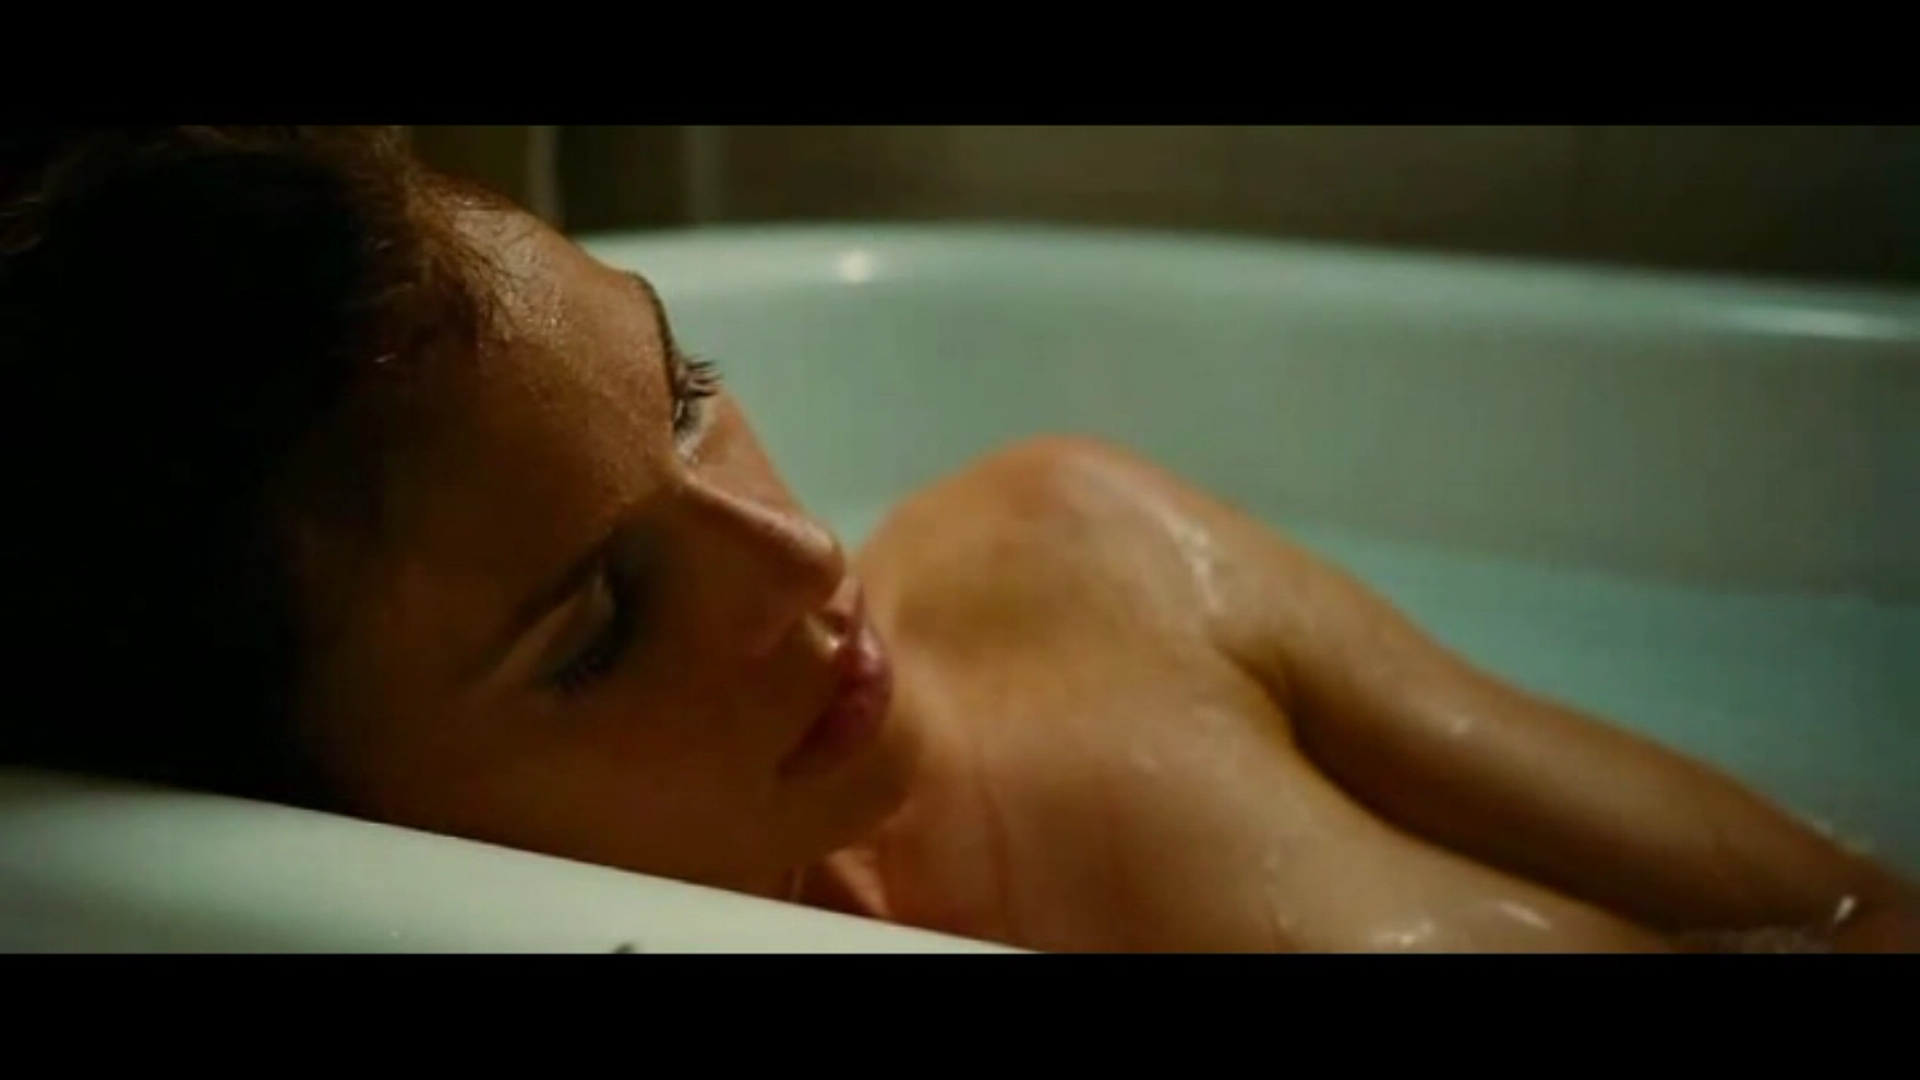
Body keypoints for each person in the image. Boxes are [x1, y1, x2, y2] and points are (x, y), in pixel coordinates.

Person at [2, 126, 1912, 953]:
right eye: (592, 626)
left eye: (692, 392)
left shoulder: (1088, 571)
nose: (798, 562)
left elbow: (1844, 911)